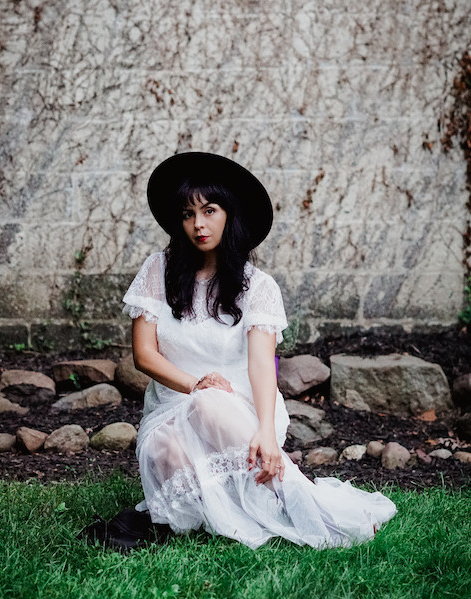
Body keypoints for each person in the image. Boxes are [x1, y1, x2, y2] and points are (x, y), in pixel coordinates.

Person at [82, 152, 397, 551]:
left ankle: (304, 501)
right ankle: (247, 504)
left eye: (209, 210)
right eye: (187, 214)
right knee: (167, 451)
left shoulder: (258, 286)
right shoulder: (157, 271)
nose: (198, 224)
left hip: (239, 412)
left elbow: (262, 364)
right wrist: (195, 384)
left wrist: (265, 429)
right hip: (170, 410)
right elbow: (144, 355)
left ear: (229, 214)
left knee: (212, 402)